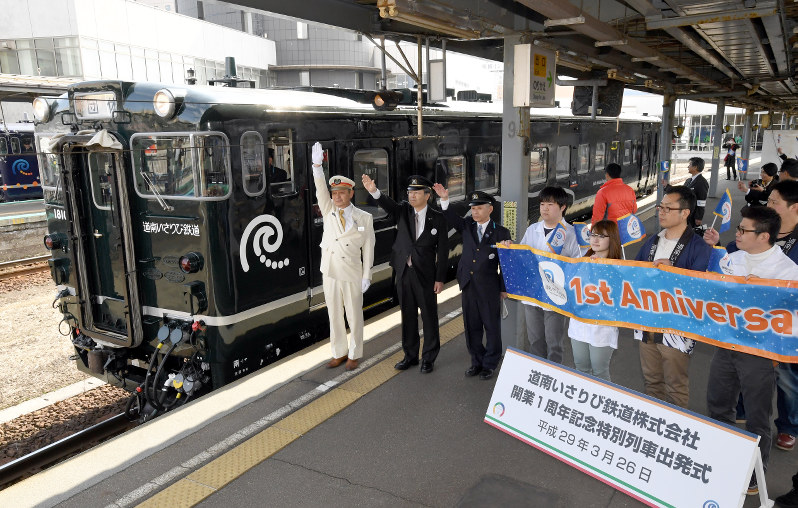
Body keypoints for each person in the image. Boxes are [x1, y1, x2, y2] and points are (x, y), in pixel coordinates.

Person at [705, 206, 798, 495]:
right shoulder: (732, 259)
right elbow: (712, 292)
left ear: (764, 236)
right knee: (718, 405)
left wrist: (768, 297)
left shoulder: (788, 271)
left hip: (759, 354)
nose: (738, 234)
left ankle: (755, 475)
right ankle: (721, 461)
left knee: (758, 416)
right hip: (726, 346)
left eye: (744, 230)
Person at [634, 185, 711, 409]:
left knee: (676, 385)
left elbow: (699, 288)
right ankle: (653, 422)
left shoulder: (699, 247)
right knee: (652, 381)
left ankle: (673, 431)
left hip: (677, 326)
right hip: (647, 321)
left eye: (668, 208)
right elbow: (633, 274)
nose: (662, 211)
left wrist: (673, 271)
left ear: (685, 213)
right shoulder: (651, 242)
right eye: (661, 206)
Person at [362, 173, 447, 373]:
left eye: (416, 192)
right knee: (407, 316)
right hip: (404, 273)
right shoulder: (403, 211)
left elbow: (443, 251)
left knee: (429, 317)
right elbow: (388, 205)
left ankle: (428, 358)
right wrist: (374, 191)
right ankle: (410, 355)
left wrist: (440, 279)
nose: (412, 196)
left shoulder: (437, 218)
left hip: (426, 275)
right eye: (410, 192)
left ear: (427, 195)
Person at [433, 186, 511, 380]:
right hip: (468, 284)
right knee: (471, 326)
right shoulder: (467, 225)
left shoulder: (501, 232)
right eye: (473, 208)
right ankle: (476, 361)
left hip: (489, 286)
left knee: (491, 327)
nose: (475, 212)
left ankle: (490, 364)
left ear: (490, 209)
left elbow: (506, 264)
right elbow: (452, 218)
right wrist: (444, 200)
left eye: (479, 208)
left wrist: (503, 288)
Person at [311, 142, 375, 371]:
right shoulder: (328, 211)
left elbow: (368, 248)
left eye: (341, 193)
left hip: (351, 273)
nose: (336, 197)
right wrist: (317, 167)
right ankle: (338, 352)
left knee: (354, 315)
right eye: (334, 193)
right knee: (334, 314)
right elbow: (320, 189)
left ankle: (355, 353)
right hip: (329, 271)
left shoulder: (364, 218)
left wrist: (367, 275)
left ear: (350, 193)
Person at [518, 186, 581, 363]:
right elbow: (522, 255)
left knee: (554, 342)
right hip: (533, 294)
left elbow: (579, 264)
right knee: (535, 340)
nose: (544, 208)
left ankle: (553, 374)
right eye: (542, 204)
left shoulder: (571, 234)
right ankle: (538, 372)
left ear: (563, 207)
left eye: (550, 204)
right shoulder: (533, 229)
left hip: (556, 295)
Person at [568, 220, 621, 381]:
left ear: (612, 239)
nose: (595, 240)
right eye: (593, 235)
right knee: (581, 369)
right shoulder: (581, 259)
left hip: (602, 328)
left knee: (600, 372)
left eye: (601, 236)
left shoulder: (621, 267)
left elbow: (618, 299)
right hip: (579, 324)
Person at [684, 157, 709, 227]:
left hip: (693, 215)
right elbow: (681, 191)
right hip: (686, 213)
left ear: (695, 167)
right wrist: (667, 186)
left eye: (690, 165)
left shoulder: (702, 182)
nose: (688, 167)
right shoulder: (688, 180)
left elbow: (701, 202)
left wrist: (698, 217)